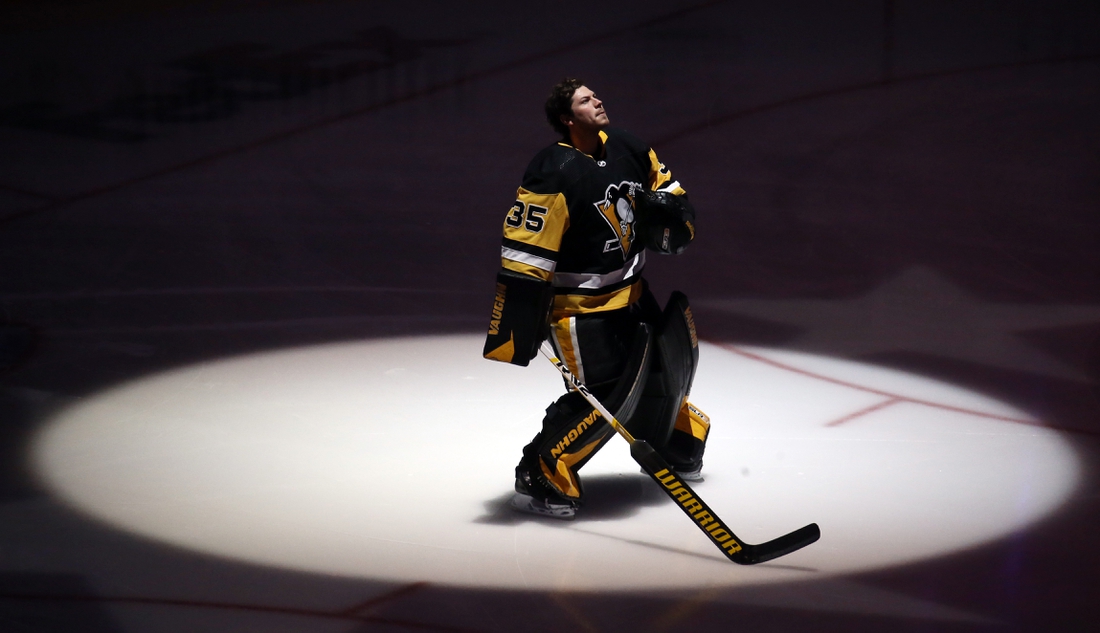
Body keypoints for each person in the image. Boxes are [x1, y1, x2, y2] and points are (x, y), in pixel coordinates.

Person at [483, 78, 710, 519]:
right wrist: (519, 319)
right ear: (568, 118)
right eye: (585, 100)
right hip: (581, 310)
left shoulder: (626, 145)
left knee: (668, 372)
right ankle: (542, 472)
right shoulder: (553, 171)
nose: (598, 100)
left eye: (596, 94)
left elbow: (668, 187)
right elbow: (525, 249)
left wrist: (672, 213)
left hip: (633, 291)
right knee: (604, 398)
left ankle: (675, 444)